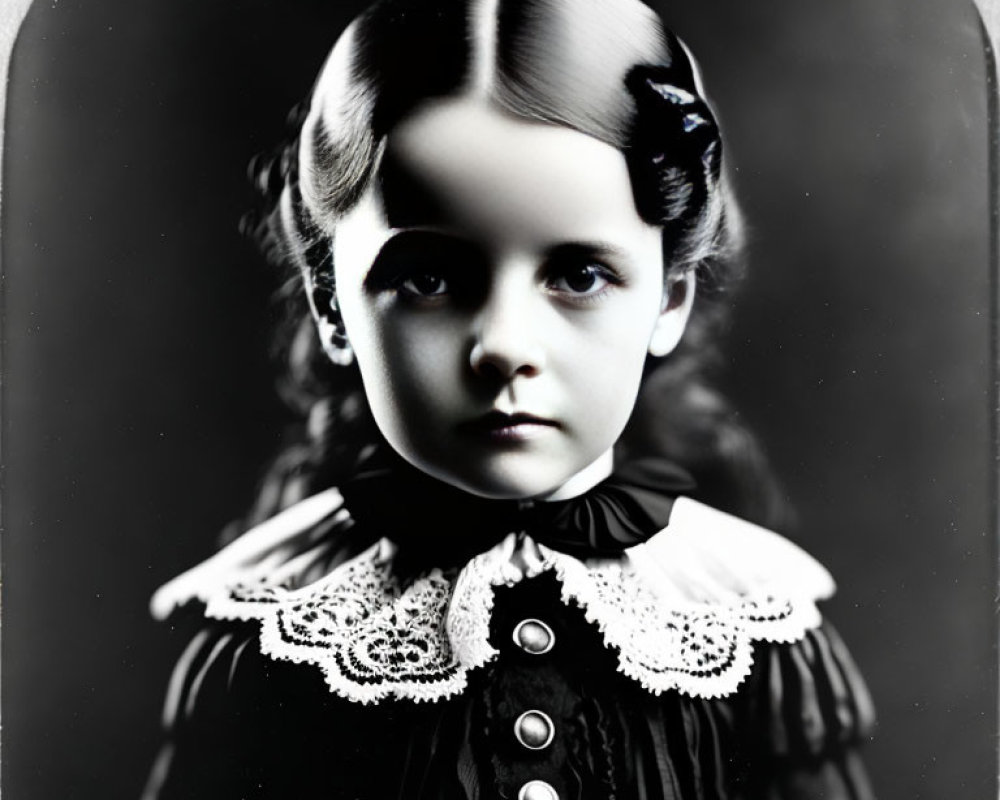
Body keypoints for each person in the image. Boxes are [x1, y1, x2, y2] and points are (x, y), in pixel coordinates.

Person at [143, 0, 876, 797]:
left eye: (578, 276)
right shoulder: (275, 645)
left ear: (668, 299)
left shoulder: (749, 632)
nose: (505, 347)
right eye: (428, 278)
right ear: (331, 303)